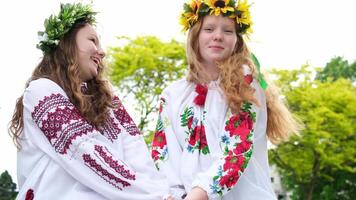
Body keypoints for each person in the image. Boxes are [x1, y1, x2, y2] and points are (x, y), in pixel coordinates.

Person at [9, 3, 170, 200]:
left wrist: (163, 194)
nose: (101, 52)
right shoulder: (41, 90)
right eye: (92, 40)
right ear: (65, 44)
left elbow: (135, 149)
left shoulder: (106, 100)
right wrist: (152, 195)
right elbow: (84, 152)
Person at [151, 0, 301, 199]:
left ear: (237, 40)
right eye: (209, 28)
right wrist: (171, 195)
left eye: (228, 31)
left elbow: (235, 153)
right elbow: (163, 155)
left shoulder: (246, 85)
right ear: (195, 35)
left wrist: (196, 196)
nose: (218, 36)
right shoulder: (172, 95)